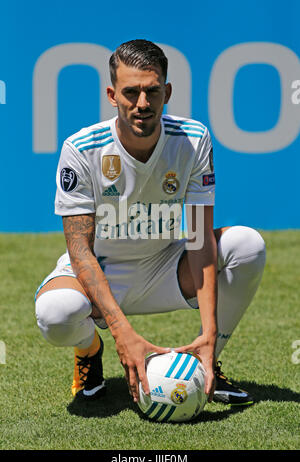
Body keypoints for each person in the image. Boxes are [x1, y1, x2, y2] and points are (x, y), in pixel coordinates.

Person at [35, 39, 266, 409]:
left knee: (247, 245)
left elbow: (198, 238)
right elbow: (79, 251)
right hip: (104, 271)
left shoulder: (193, 139)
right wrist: (121, 333)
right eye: (130, 92)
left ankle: (209, 362)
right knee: (55, 312)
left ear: (166, 92)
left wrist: (209, 333)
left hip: (166, 269)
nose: (142, 103)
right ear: (112, 94)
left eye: (152, 91)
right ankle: (89, 352)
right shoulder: (81, 149)